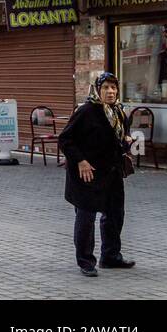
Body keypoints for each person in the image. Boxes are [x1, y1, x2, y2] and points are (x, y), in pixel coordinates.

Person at [58, 72, 135, 277]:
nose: (110, 92)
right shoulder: (86, 111)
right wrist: (81, 161)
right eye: (106, 88)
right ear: (97, 90)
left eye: (113, 88)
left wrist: (126, 140)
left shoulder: (118, 111)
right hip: (87, 173)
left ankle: (110, 256)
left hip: (112, 172)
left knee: (115, 214)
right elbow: (65, 139)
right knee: (86, 217)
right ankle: (85, 261)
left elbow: (120, 137)